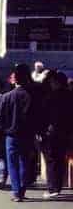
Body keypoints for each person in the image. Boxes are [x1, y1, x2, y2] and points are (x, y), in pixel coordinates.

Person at [0, 63, 38, 202]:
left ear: (15, 80)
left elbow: (0, 116)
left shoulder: (7, 96)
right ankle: (22, 189)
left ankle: (16, 192)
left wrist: (4, 128)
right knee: (24, 162)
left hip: (11, 134)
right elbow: (35, 116)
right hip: (27, 134)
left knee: (12, 163)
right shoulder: (30, 96)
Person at [40, 70, 71, 199]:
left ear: (56, 82)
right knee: (60, 159)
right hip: (66, 132)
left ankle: (53, 188)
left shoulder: (51, 97)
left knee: (51, 160)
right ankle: (58, 186)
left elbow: (44, 116)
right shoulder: (70, 95)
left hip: (51, 132)